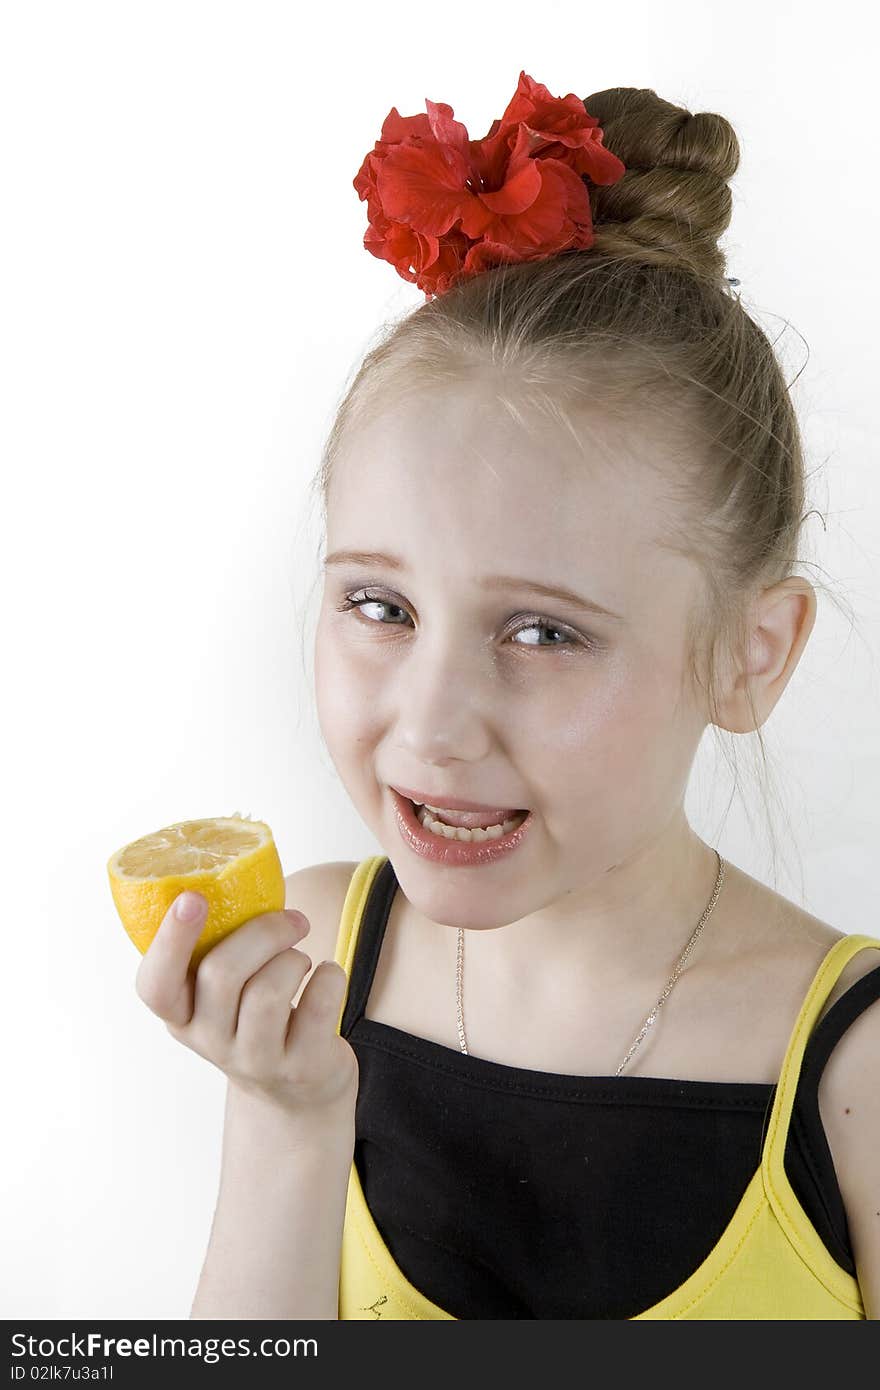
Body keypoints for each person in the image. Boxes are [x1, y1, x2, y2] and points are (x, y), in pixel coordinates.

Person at [137, 75, 880, 1320]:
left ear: (749, 654)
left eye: (542, 632)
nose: (428, 727)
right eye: (379, 607)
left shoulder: (853, 1073)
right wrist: (289, 1112)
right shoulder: (312, 964)